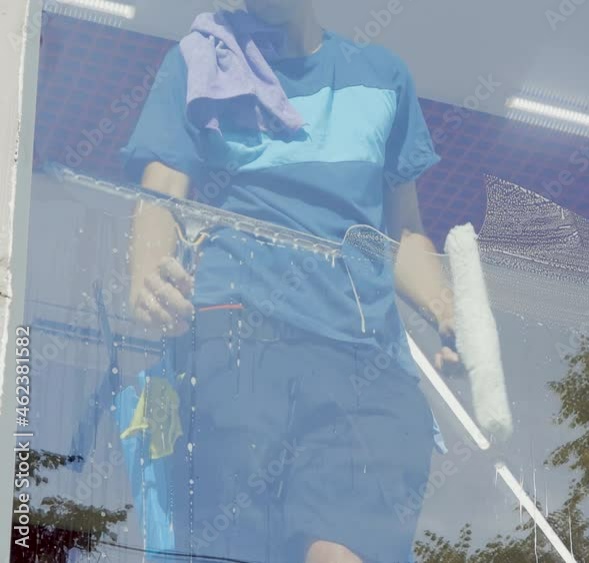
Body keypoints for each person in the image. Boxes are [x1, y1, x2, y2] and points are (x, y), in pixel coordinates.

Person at [122, 1, 456, 561]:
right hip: (239, 344)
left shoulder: (383, 78)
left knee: (344, 551)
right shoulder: (200, 62)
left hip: (363, 362)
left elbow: (401, 234)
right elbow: (161, 190)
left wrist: (449, 311)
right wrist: (146, 269)